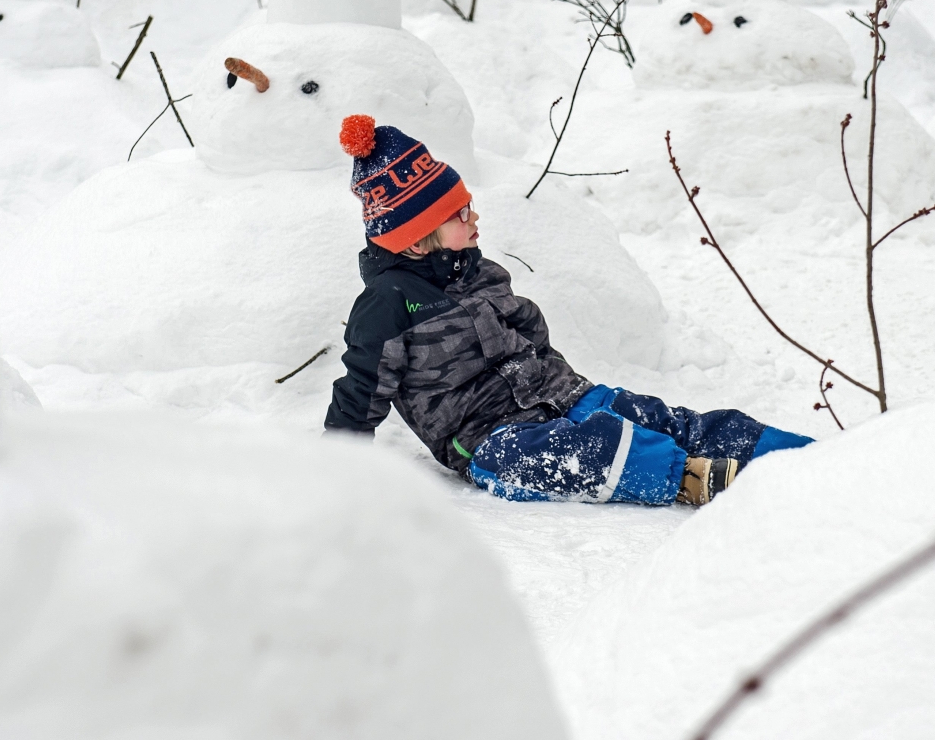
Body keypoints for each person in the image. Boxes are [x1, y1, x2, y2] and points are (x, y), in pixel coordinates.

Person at [324, 115, 813, 506]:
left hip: (558, 394)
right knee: (581, 450)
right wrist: (334, 473)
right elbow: (362, 389)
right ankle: (688, 476)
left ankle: (807, 458)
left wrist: (565, 389)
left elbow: (530, 329)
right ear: (418, 234)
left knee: (658, 417)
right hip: (489, 437)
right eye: (460, 214)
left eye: (469, 205)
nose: (475, 217)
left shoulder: (481, 271)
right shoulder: (388, 302)